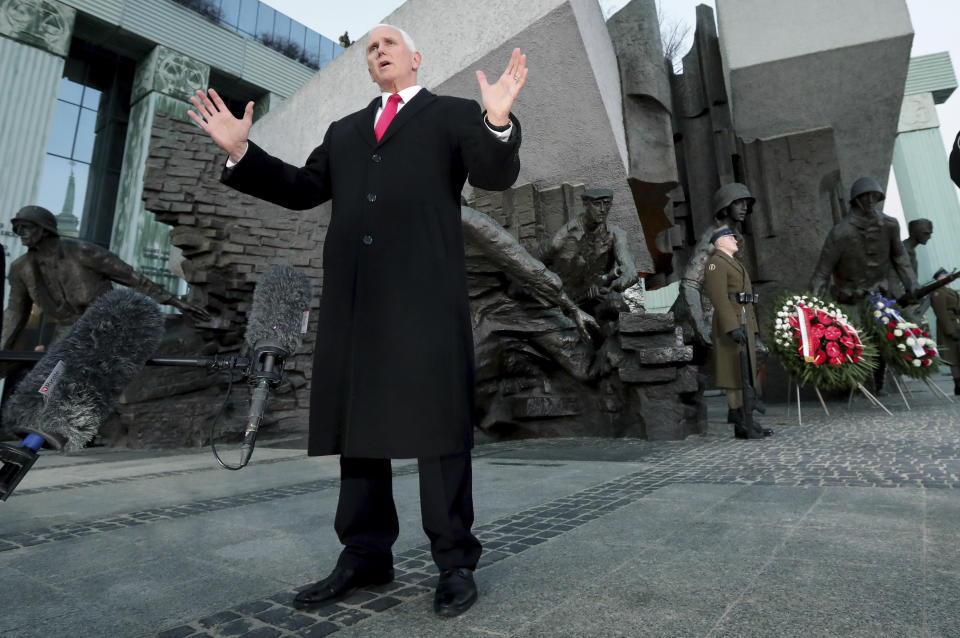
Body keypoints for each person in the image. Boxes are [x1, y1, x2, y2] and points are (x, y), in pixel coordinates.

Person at [188, 24, 526, 617]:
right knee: (358, 426)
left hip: (424, 298)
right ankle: (366, 554)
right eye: (370, 48)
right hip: (356, 302)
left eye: (389, 43)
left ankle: (454, 561)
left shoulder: (451, 115)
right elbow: (300, 189)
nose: (379, 51)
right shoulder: (343, 131)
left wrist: (497, 122)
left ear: (416, 57)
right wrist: (242, 152)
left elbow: (495, 174)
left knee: (438, 427)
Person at [1, 205, 207, 350]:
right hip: (66, 332)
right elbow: (15, 312)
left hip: (106, 325)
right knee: (51, 383)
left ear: (44, 229)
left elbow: (132, 278)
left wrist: (176, 303)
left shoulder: (81, 251)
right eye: (18, 229)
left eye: (26, 227)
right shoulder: (21, 268)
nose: (21, 233)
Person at [702, 227, 772, 439]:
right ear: (719, 242)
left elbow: (746, 298)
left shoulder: (735, 263)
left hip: (743, 322)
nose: (734, 239)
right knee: (733, 374)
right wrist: (731, 327)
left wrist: (753, 328)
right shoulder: (716, 263)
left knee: (746, 372)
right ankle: (741, 422)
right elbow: (719, 297)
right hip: (730, 323)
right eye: (729, 237)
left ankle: (747, 417)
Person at [673, 182, 755, 347]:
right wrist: (701, 328)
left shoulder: (738, 238)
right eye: (738, 202)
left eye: (746, 203)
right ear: (725, 207)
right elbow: (690, 284)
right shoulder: (712, 238)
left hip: (728, 316)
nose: (744, 207)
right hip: (700, 319)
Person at [540, 187, 639, 322]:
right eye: (597, 204)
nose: (603, 209)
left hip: (599, 298)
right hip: (568, 302)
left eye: (607, 203)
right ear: (586, 204)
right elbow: (533, 264)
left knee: (617, 308)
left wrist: (611, 286)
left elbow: (631, 272)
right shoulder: (564, 236)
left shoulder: (616, 235)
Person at [930, 267, 960, 395]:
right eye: (945, 276)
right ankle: (958, 385)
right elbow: (941, 313)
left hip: (957, 324)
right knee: (953, 356)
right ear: (939, 279)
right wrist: (950, 331)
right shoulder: (938, 292)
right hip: (949, 327)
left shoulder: (949, 290)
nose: (948, 278)